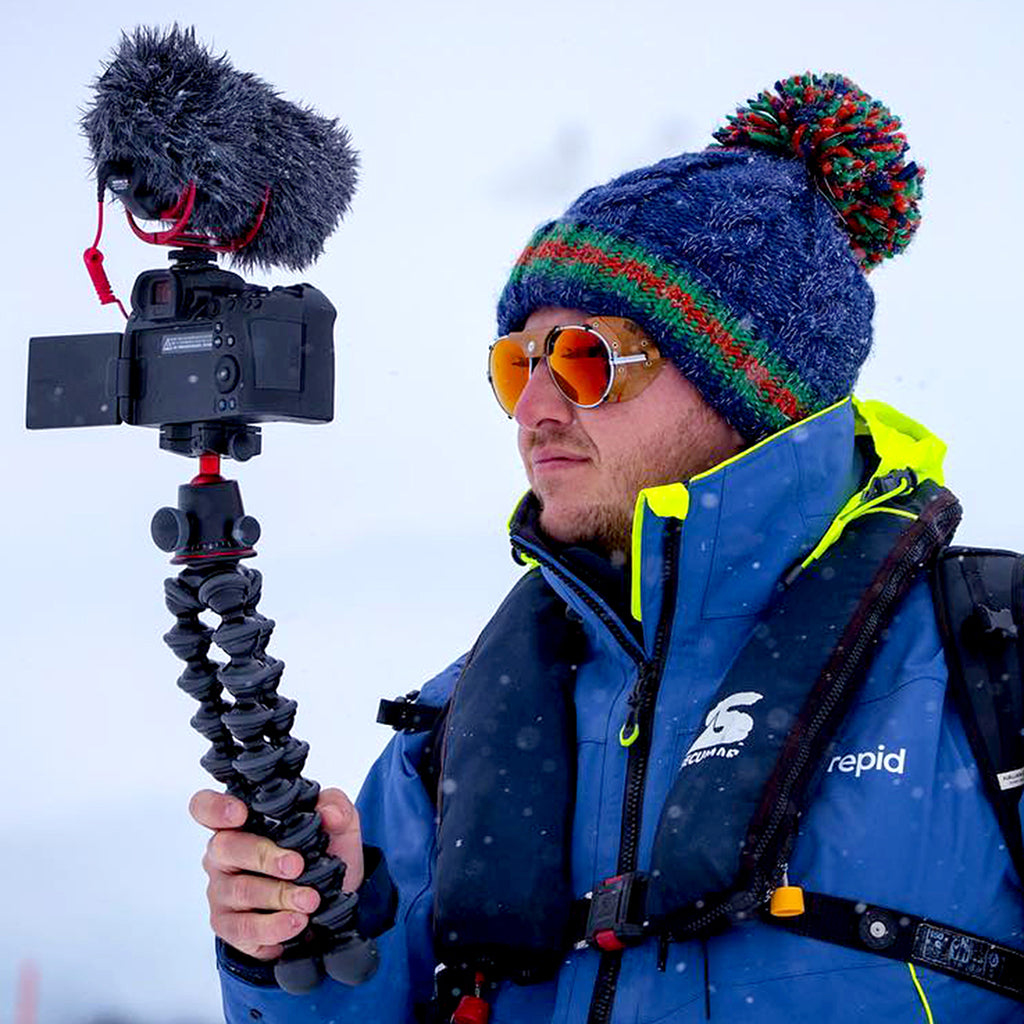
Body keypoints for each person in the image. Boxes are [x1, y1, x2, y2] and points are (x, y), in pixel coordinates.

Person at [190, 73, 1024, 1023]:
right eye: (520, 364)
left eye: (588, 357)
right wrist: (310, 941)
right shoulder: (459, 729)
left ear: (752, 389)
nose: (535, 411)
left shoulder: (985, 674)